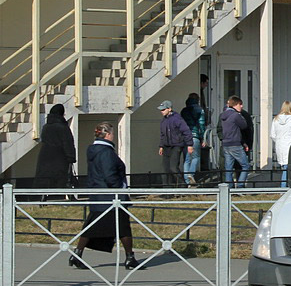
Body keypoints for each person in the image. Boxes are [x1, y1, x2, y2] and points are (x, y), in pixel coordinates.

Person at [69, 122, 142, 270]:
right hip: (112, 197)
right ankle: (129, 257)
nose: (113, 136)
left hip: (98, 195)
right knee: (123, 227)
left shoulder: (93, 150)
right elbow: (110, 175)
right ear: (107, 135)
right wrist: (120, 189)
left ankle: (77, 254)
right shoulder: (106, 152)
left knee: (92, 226)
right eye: (112, 133)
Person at [34, 103, 76, 193]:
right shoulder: (63, 127)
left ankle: (43, 197)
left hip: (45, 156)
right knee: (61, 179)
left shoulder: (46, 127)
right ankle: (61, 197)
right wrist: (71, 157)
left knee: (45, 179)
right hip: (60, 157)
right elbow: (68, 143)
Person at [158, 100, 194, 186]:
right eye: (161, 110)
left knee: (173, 168)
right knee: (165, 170)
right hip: (166, 146)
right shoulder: (164, 120)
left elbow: (186, 131)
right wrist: (161, 146)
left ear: (169, 109)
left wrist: (190, 144)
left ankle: (182, 185)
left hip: (176, 145)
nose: (161, 111)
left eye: (163, 110)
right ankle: (167, 190)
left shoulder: (177, 119)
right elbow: (163, 134)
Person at [220, 96, 251, 186]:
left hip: (226, 144)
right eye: (240, 104)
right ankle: (240, 186)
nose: (241, 106)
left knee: (229, 168)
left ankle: (229, 187)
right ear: (235, 105)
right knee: (245, 166)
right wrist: (241, 116)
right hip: (235, 144)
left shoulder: (223, 115)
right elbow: (244, 125)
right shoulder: (235, 115)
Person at [181, 93, 205, 186]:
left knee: (186, 159)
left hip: (184, 137)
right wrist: (202, 137)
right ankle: (191, 174)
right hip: (195, 136)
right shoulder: (199, 110)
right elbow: (201, 124)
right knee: (195, 157)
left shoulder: (184, 110)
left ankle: (187, 181)